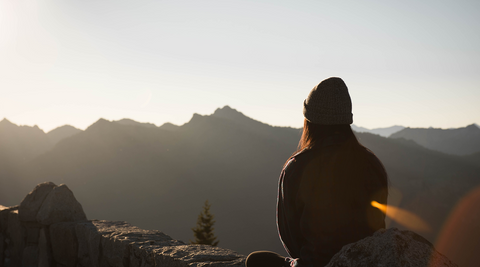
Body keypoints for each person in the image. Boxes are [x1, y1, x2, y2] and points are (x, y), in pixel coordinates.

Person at [246, 77, 388, 267]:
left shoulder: (297, 166)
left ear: (309, 121)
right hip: (368, 262)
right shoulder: (372, 163)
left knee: (256, 260)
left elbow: (290, 236)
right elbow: (378, 224)